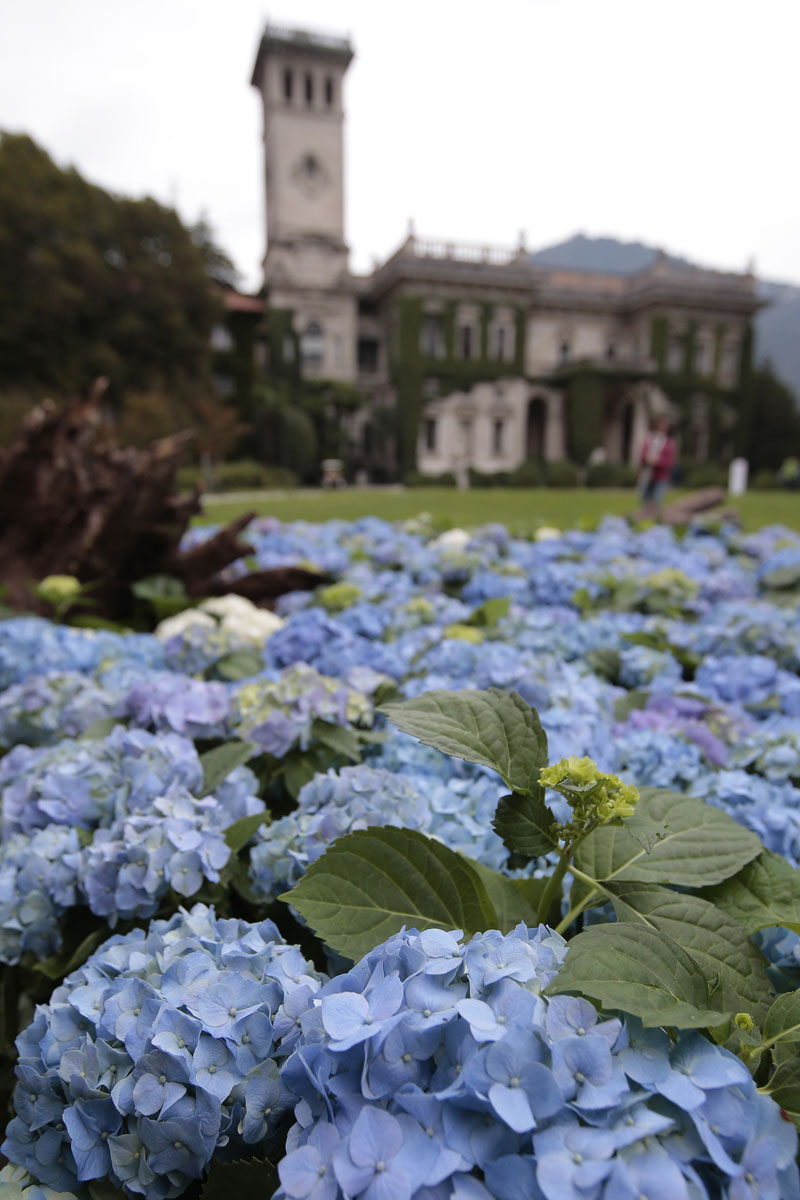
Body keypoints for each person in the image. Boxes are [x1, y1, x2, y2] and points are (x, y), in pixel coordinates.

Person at [637, 416, 676, 513]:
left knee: (657, 500)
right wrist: (647, 459)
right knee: (644, 500)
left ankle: (655, 521)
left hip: (661, 476)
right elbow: (642, 455)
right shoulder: (649, 439)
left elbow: (669, 461)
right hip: (647, 474)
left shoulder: (669, 442)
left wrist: (658, 462)